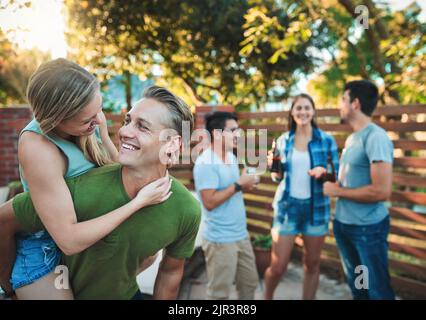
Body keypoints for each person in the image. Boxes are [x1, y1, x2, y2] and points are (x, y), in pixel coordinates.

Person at [0, 85, 201, 299]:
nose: (124, 132)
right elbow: (4, 221)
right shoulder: (79, 188)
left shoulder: (186, 209)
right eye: (127, 121)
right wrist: (10, 290)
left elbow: (170, 272)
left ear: (172, 144)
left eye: (142, 127)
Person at [323, 80, 395, 300]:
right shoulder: (354, 138)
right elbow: (352, 179)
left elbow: (381, 191)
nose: (339, 105)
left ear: (355, 103)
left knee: (377, 292)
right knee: (360, 289)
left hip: (367, 231)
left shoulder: (376, 137)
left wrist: (338, 192)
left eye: (343, 100)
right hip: (345, 226)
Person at [264, 93, 339, 300]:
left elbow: (335, 177)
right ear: (292, 112)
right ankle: (266, 296)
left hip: (317, 210)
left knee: (312, 265)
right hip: (287, 209)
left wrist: (323, 173)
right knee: (278, 267)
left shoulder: (326, 140)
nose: (303, 112)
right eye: (298, 108)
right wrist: (274, 165)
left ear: (313, 111)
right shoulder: (283, 140)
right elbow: (277, 177)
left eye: (307, 108)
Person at [193, 111, 259, 300]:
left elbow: (231, 191)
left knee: (249, 284)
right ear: (217, 134)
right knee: (219, 294)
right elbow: (210, 202)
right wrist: (239, 184)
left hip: (241, 235)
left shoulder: (230, 157)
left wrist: (246, 183)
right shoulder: (206, 163)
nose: (239, 134)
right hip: (220, 241)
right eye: (233, 130)